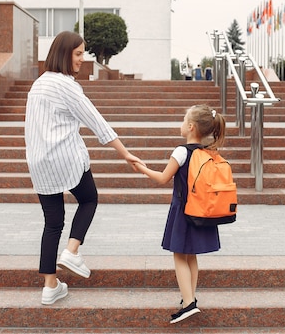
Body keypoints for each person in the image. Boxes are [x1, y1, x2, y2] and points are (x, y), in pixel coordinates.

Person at [24, 31, 143, 305]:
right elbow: (96, 120)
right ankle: (72, 251)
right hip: (65, 157)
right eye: (78, 54)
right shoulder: (66, 86)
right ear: (64, 54)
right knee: (89, 199)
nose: (81, 59)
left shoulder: (39, 84)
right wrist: (125, 153)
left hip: (39, 162)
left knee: (52, 223)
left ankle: (50, 286)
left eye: (82, 54)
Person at [134, 104, 226, 324]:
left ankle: (188, 303)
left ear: (191, 127)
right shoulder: (208, 152)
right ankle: (190, 297)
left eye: (184, 120)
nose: (181, 124)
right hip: (200, 211)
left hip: (183, 210)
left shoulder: (182, 151)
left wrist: (142, 168)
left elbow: (164, 178)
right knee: (191, 255)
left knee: (179, 255)